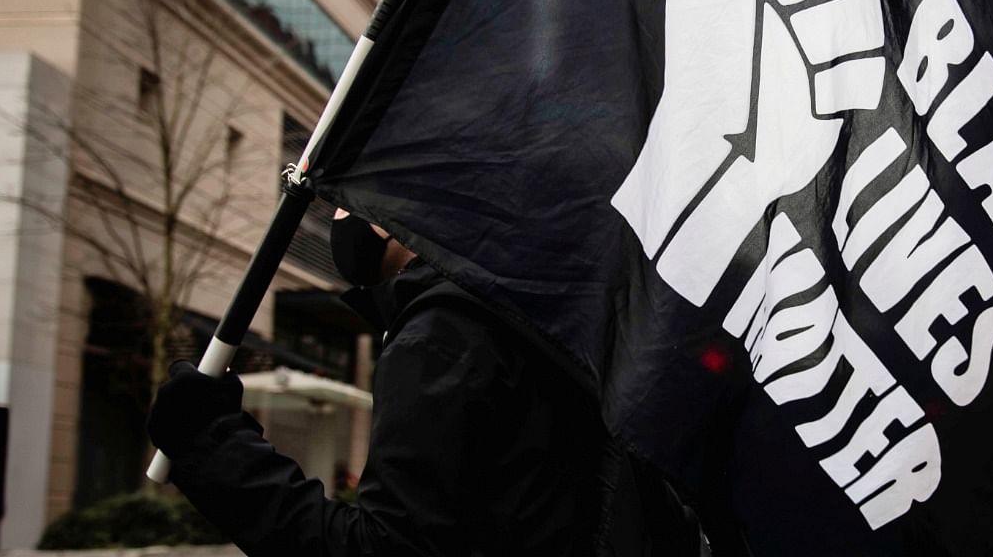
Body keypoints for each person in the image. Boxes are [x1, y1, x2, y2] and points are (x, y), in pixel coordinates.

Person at [147, 211, 704, 556]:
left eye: (346, 200)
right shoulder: (531, 314)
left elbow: (388, 548)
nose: (340, 216)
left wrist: (214, 448)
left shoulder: (441, 336)